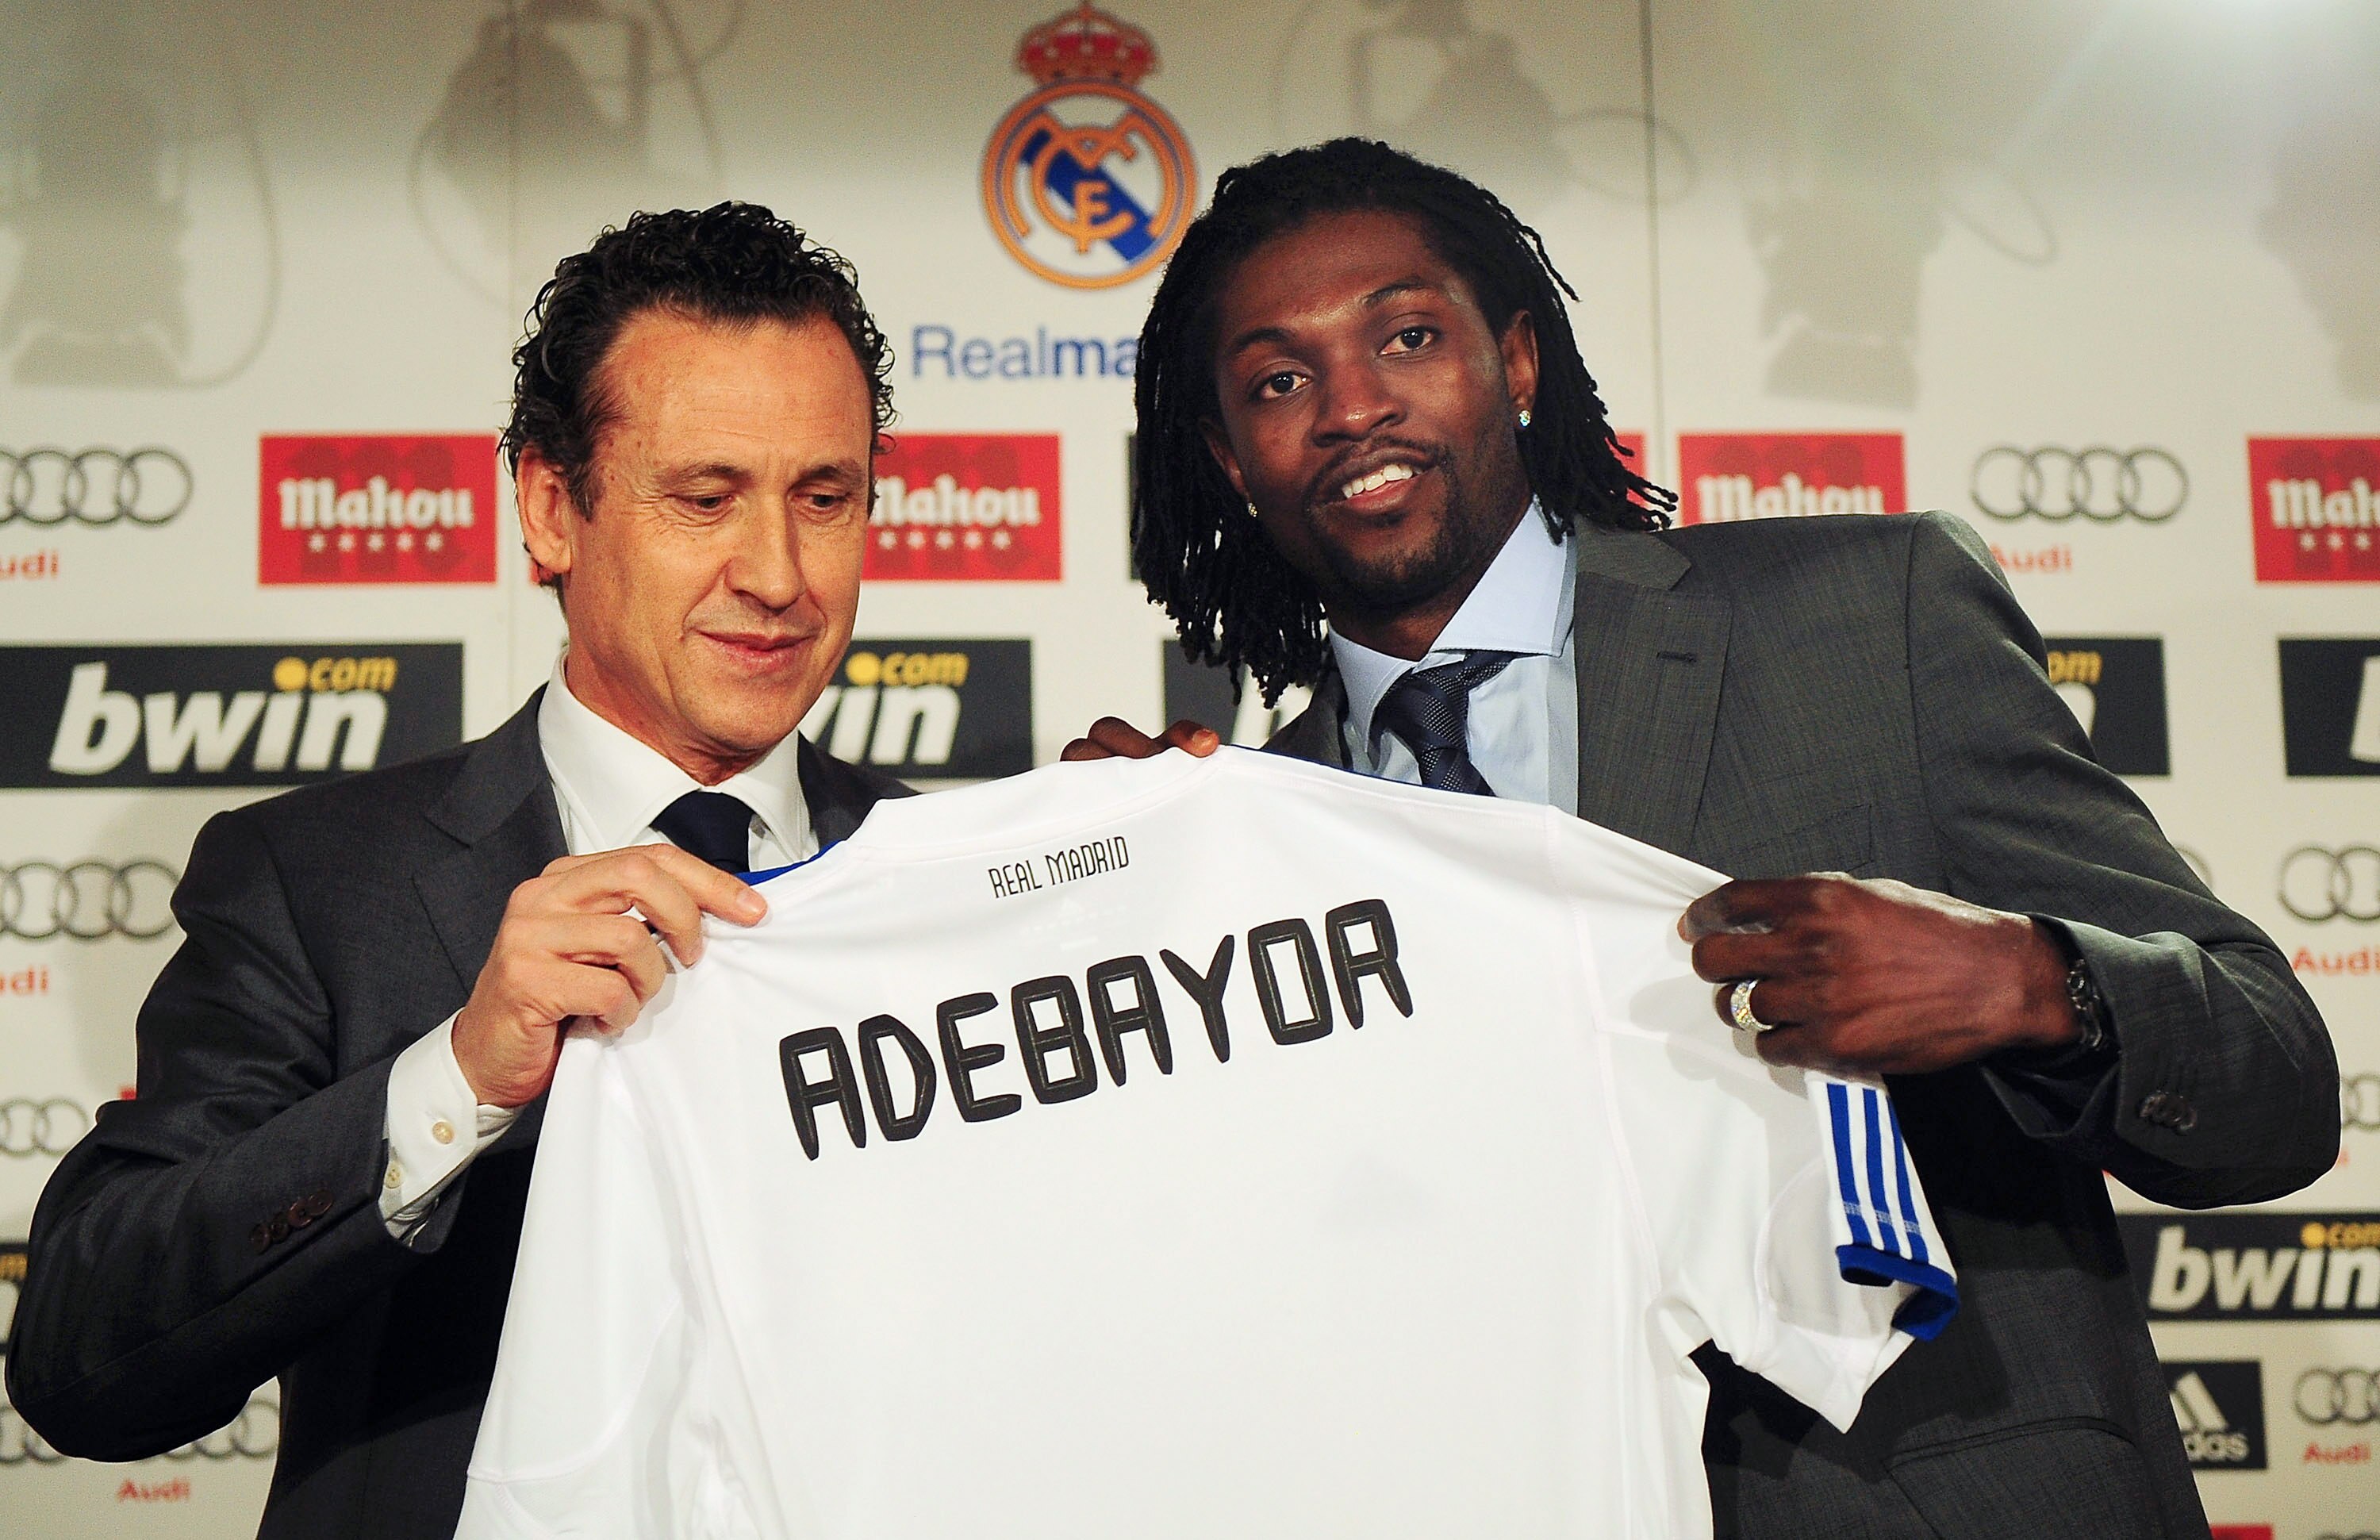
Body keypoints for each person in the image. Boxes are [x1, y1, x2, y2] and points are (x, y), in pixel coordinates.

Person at [1074, 138, 2337, 1540]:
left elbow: (2276, 1084)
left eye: (1408, 337)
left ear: (1520, 360)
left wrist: (2029, 983)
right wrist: (1113, 898)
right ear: (1225, 458)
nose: (1353, 407)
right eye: (1278, 381)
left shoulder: (1872, 618)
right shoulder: (1243, 835)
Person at [6, 202, 909, 1539]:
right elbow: (83, 1360)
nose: (777, 573)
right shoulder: (311, 880)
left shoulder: (939, 877)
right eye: (706, 497)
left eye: (823, 498)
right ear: (552, 509)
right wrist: (457, 1079)